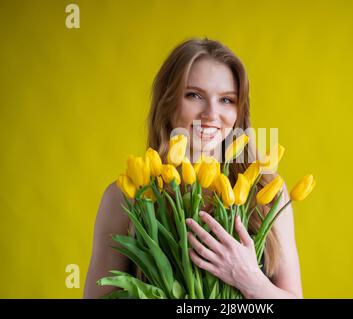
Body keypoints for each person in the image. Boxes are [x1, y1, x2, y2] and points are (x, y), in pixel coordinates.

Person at [84, 38, 303, 299]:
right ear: (167, 103)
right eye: (194, 95)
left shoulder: (267, 190)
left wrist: (252, 281)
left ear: (239, 111)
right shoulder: (126, 195)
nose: (211, 114)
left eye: (226, 100)